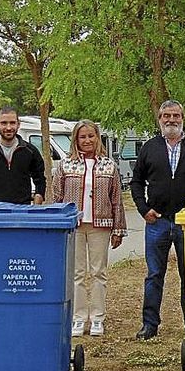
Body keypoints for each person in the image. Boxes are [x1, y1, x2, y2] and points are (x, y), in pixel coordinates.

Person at [130, 100, 185, 340]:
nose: (171, 120)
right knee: (154, 274)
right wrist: (143, 209)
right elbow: (136, 182)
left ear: (183, 118)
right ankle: (149, 324)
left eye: (175, 115)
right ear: (159, 119)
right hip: (157, 222)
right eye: (166, 116)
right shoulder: (150, 148)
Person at [51, 120, 127, 337]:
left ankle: (97, 318)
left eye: (91, 136)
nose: (87, 141)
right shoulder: (65, 165)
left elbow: (116, 199)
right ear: (76, 139)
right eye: (82, 137)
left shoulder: (108, 165)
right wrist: (57, 224)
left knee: (98, 272)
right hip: (73, 225)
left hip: (100, 225)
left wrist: (118, 228)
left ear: (97, 138)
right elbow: (57, 197)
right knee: (77, 273)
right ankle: (78, 317)